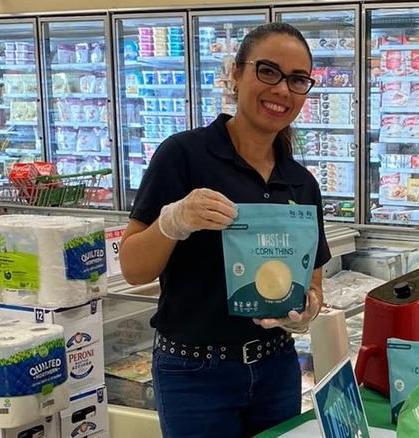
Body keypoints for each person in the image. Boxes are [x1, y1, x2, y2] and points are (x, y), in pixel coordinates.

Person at [118, 22, 331, 438]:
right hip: (195, 374)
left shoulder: (301, 182)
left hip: (276, 368)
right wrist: (173, 221)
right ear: (235, 74)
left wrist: (307, 309)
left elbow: (314, 282)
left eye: (297, 79)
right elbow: (133, 269)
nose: (282, 90)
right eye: (267, 71)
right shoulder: (184, 155)